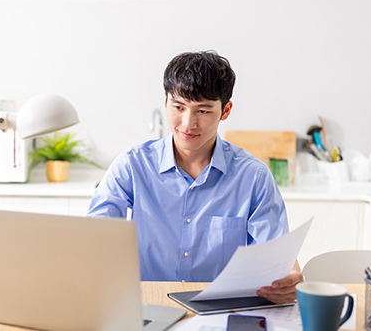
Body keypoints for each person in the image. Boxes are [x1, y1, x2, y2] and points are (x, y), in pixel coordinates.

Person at [87, 51, 303, 304]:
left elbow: (277, 258)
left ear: (226, 110)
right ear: (165, 99)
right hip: (146, 307)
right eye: (178, 107)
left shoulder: (253, 176)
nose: (188, 124)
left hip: (222, 309)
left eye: (202, 111)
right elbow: (94, 239)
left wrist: (288, 278)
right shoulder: (132, 165)